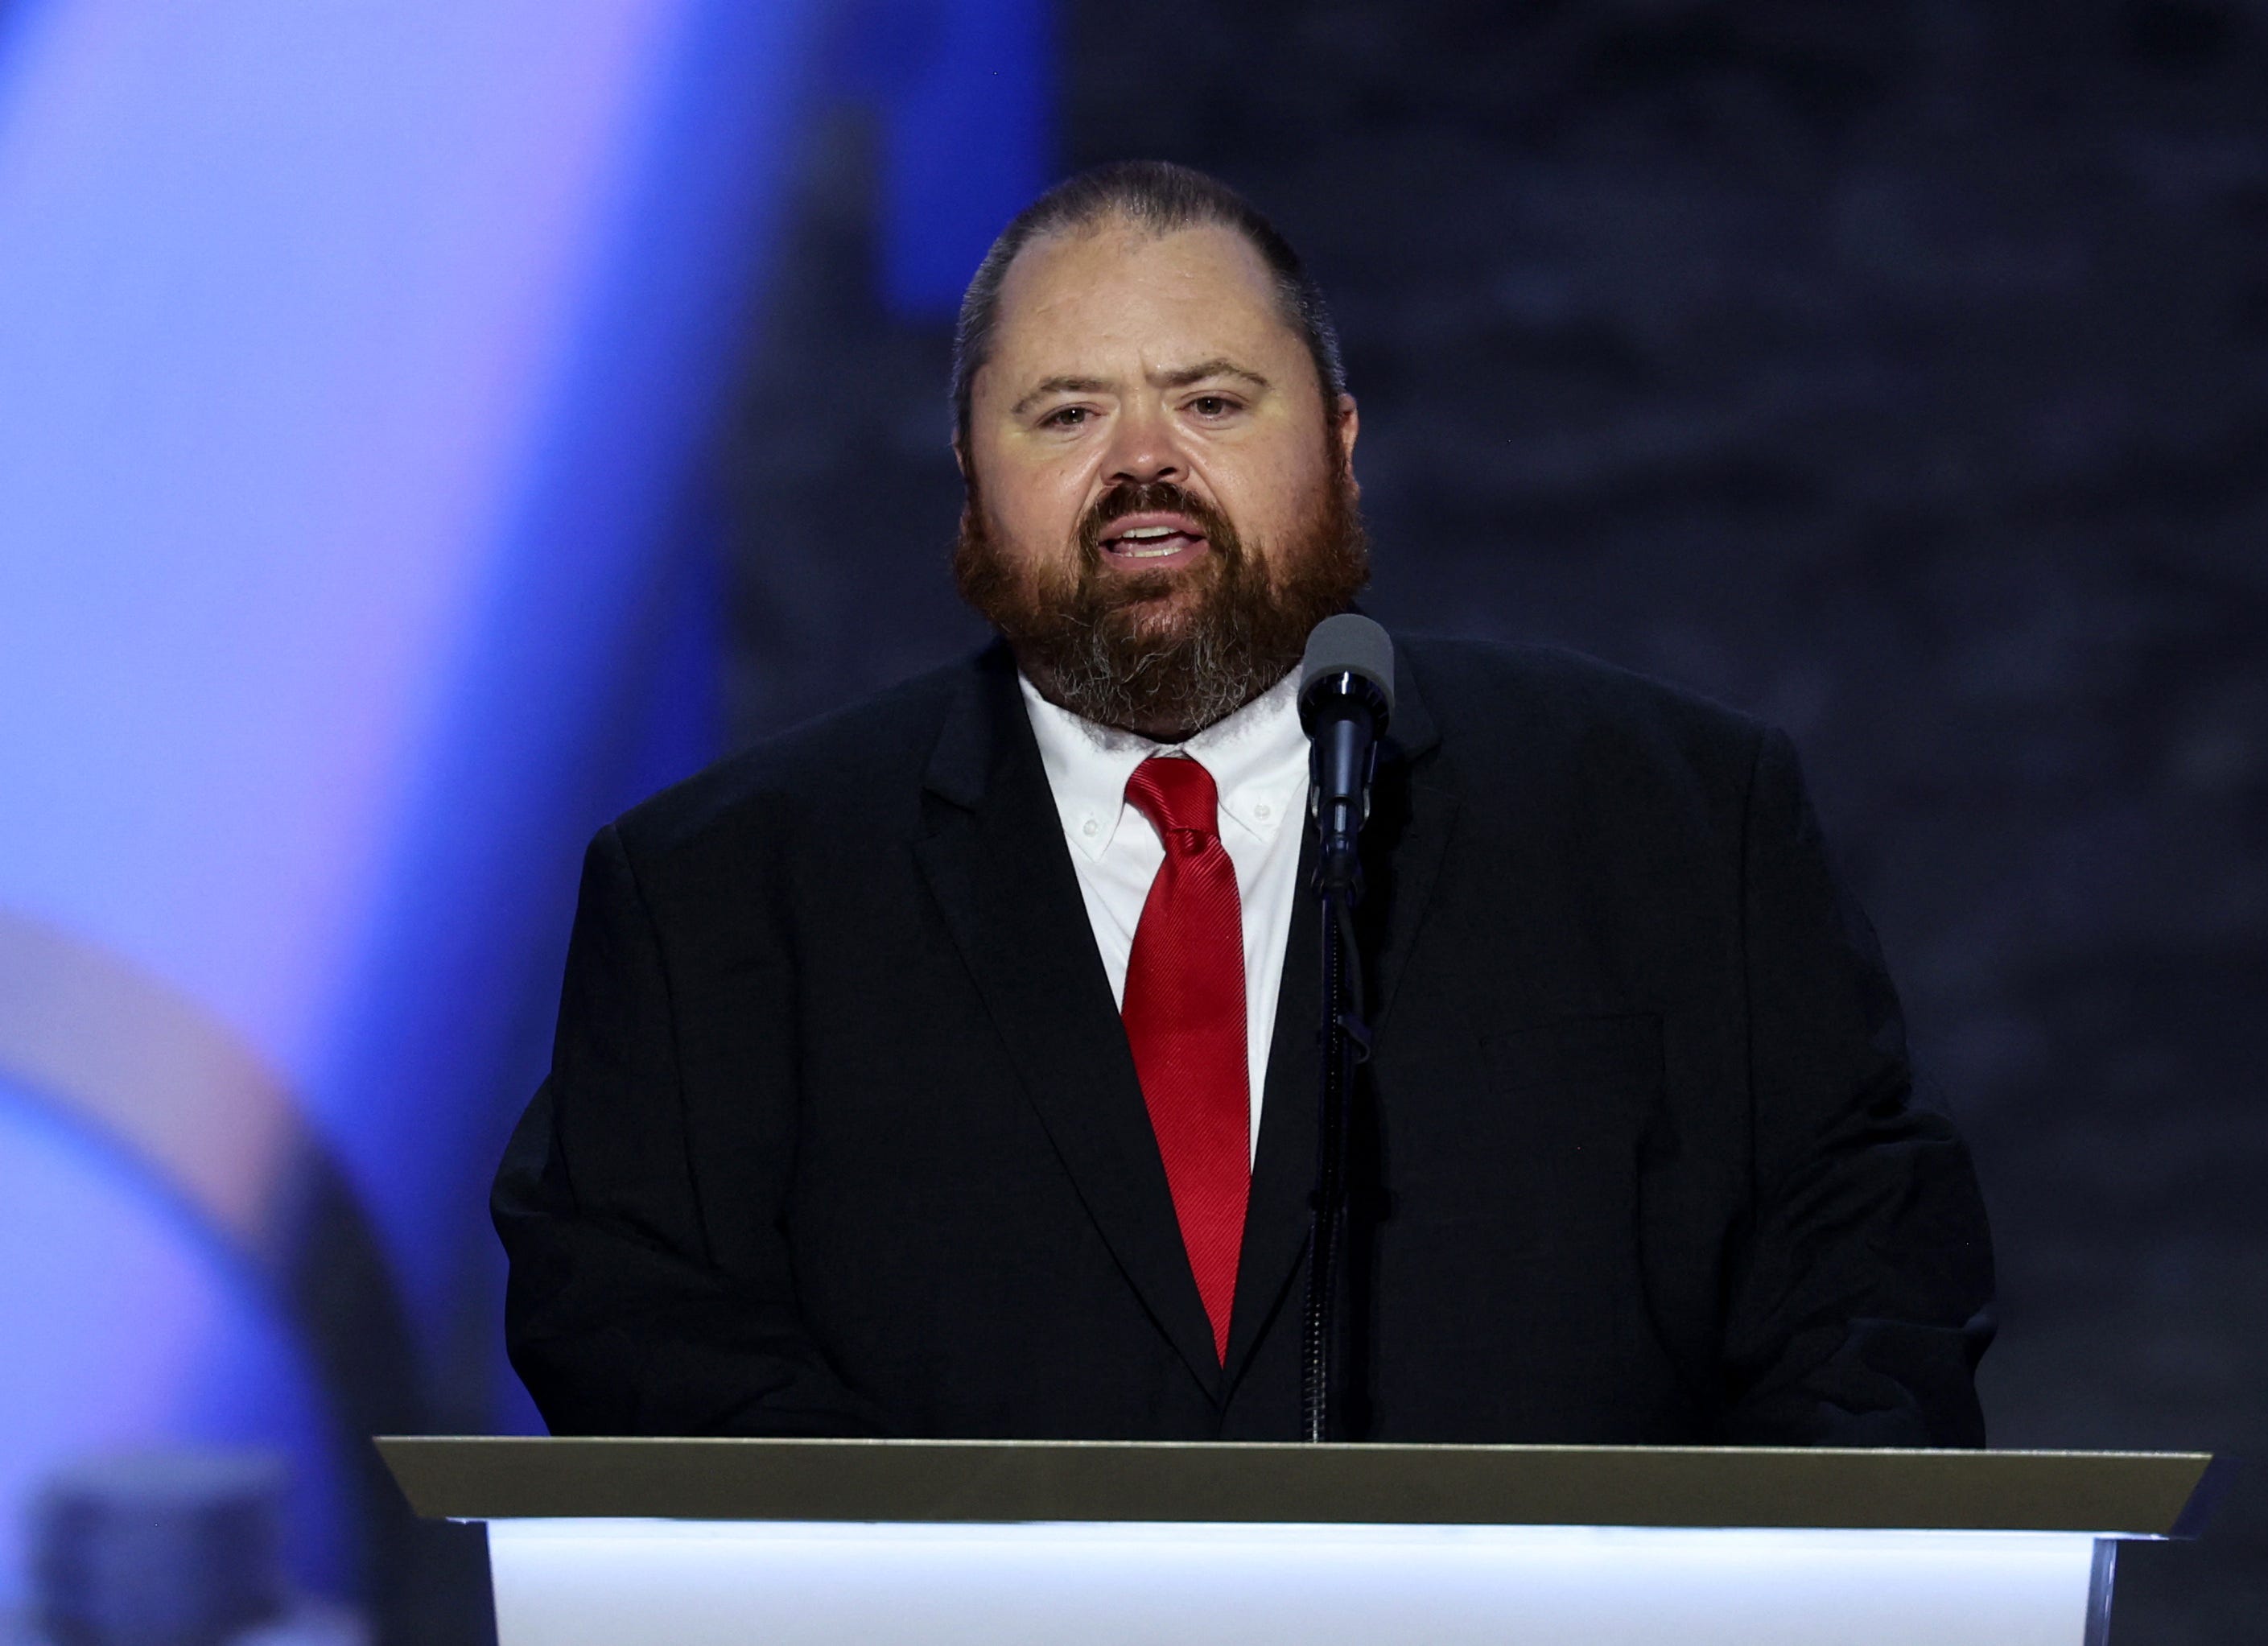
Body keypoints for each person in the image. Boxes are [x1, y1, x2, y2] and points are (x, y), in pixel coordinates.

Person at [493, 160, 1994, 1446]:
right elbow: (628, 1318)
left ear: (1339, 444)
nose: (1145, 461)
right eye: (1065, 412)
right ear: (966, 477)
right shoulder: (720, 898)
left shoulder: (1675, 822)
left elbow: (1868, 1298)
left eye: (1211, 399)